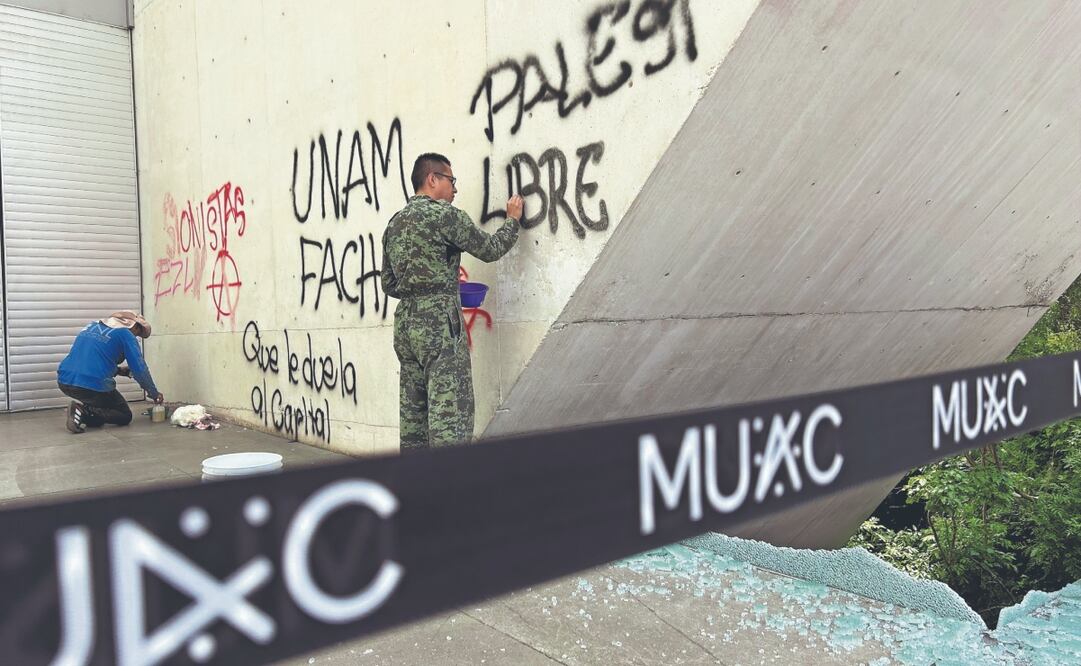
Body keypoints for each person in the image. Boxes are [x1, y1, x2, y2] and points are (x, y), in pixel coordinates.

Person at [382, 153, 524, 452]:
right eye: (451, 180)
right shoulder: (445, 215)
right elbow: (490, 249)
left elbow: (389, 284)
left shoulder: (394, 224)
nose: (455, 188)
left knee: (414, 416)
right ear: (432, 179)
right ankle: (450, 479)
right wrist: (512, 220)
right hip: (439, 325)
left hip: (405, 324)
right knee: (450, 413)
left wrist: (426, 286)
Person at [57, 311, 164, 433]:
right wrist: (153, 393)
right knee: (123, 415)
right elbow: (140, 369)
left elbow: (92, 359)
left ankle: (80, 412)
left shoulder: (91, 326)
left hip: (64, 381)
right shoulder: (125, 334)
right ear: (134, 326)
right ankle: (84, 411)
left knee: (99, 419)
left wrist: (119, 371)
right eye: (137, 334)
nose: (135, 337)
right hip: (91, 385)